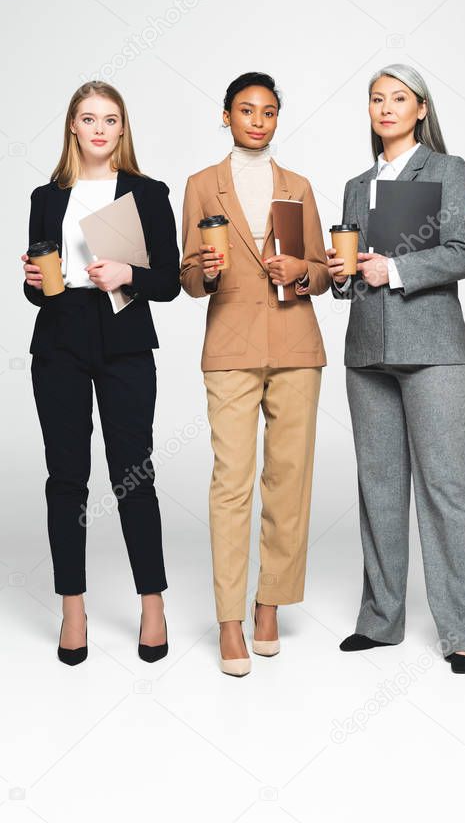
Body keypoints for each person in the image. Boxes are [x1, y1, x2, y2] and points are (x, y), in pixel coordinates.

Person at [327, 64, 465, 675]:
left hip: (434, 349)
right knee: (378, 489)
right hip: (367, 351)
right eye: (377, 98)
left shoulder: (448, 171)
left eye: (399, 98)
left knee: (447, 487)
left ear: (421, 108)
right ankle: (381, 619)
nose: (387, 107)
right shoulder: (354, 185)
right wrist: (342, 275)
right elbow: (348, 281)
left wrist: (391, 270)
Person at [22, 81, 180, 665]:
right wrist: (33, 283)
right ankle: (72, 607)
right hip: (60, 341)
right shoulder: (47, 194)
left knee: (133, 475)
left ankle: (153, 603)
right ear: (72, 127)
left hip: (125, 344)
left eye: (109, 119)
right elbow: (37, 284)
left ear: (122, 129)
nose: (98, 128)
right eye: (88, 118)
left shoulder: (146, 192)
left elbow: (169, 281)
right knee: (66, 479)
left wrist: (129, 275)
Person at [180, 71, 330, 677]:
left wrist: (298, 268)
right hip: (231, 347)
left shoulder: (298, 186)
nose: (259, 120)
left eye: (269, 111)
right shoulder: (200, 186)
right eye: (247, 110)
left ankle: (270, 603)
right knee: (232, 482)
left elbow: (323, 271)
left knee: (289, 480)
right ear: (226, 115)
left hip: (296, 344)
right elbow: (187, 279)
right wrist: (208, 271)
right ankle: (229, 620)